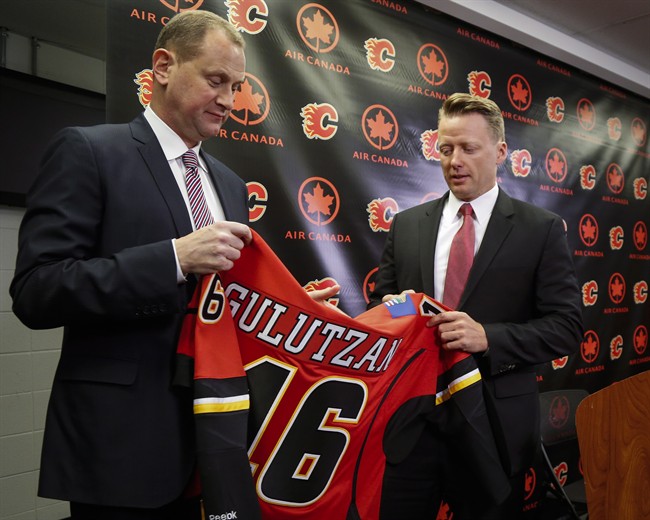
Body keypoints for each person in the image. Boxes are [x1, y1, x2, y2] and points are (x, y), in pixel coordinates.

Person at [9, 11, 337, 520]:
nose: (230, 101)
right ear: (163, 66)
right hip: (122, 445)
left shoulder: (229, 183)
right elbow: (37, 290)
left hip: (214, 440)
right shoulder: (90, 152)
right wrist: (172, 258)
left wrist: (279, 310)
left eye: (237, 86)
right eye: (215, 80)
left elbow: (215, 303)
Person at [368, 93, 583, 519]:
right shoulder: (408, 225)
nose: (454, 160)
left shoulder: (540, 230)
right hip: (412, 418)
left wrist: (489, 337)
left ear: (500, 151)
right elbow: (382, 305)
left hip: (494, 423)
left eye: (468, 148)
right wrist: (391, 311)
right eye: (446, 149)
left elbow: (567, 327)